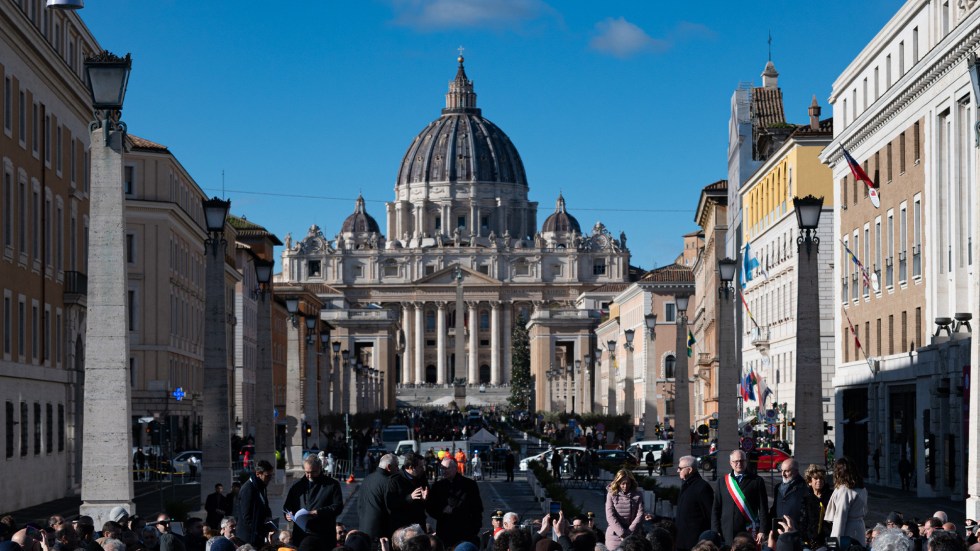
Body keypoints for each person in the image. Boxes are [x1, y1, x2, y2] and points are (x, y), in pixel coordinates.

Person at [284, 455, 345, 548]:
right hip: (301, 535)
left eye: (313, 472)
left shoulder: (332, 485)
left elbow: (338, 507)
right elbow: (287, 506)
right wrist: (287, 515)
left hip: (323, 535)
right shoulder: (297, 486)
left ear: (320, 468)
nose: (309, 476)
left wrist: (319, 512)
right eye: (307, 472)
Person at [711, 449, 768, 547]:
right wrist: (715, 531)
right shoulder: (722, 482)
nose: (739, 463)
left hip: (747, 530)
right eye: (736, 461)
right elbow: (716, 508)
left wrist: (762, 530)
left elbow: (763, 508)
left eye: (742, 461)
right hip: (726, 532)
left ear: (746, 462)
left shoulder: (757, 481)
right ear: (731, 463)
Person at [426, 456, 484, 547]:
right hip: (445, 531)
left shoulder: (469, 485)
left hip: (465, 530)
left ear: (455, 468)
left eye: (447, 468)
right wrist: (442, 510)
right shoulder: (437, 486)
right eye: (442, 468)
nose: (444, 471)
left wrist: (475, 529)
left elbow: (477, 508)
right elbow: (430, 507)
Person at [825, 456, 868, 550]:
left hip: (847, 531)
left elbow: (840, 518)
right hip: (859, 528)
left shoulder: (844, 491)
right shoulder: (862, 488)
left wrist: (833, 545)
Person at [675, 456, 714, 551]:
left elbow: (710, 515)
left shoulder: (702, 487)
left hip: (695, 543)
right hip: (681, 541)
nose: (677, 470)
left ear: (689, 470)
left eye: (680, 468)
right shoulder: (686, 485)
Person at [358, 453, 400, 540]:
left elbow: (360, 504)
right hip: (381, 534)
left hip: (363, 529)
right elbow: (392, 507)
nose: (398, 469)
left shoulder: (367, 479)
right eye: (396, 466)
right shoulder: (389, 482)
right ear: (389, 467)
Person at [236, 459, 274, 547]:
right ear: (258, 474)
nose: (269, 479)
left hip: (258, 535)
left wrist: (269, 519)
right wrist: (261, 529)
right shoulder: (248, 489)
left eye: (271, 476)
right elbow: (247, 517)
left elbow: (265, 506)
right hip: (248, 538)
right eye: (267, 476)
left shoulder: (262, 486)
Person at [604, 469, 645, 550]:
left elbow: (640, 514)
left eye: (628, 483)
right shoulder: (611, 494)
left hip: (633, 535)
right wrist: (622, 533)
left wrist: (629, 532)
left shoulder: (638, 495)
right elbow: (610, 515)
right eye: (623, 483)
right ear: (618, 482)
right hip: (614, 536)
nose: (625, 486)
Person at [390, 452, 429, 531]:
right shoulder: (395, 480)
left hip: (420, 523)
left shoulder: (421, 476)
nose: (423, 469)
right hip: (404, 526)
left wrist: (425, 499)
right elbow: (392, 504)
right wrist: (410, 497)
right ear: (411, 467)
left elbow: (428, 501)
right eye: (420, 466)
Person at [768, 458, 806, 536]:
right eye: (782, 470)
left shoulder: (804, 487)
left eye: (787, 471)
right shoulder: (778, 487)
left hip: (795, 532)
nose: (783, 474)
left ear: (796, 471)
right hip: (778, 530)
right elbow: (774, 508)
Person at [800, 463, 832, 550]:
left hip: (828, 540)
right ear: (810, 482)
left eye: (821, 478)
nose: (819, 481)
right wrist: (807, 538)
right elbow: (803, 521)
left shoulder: (831, 496)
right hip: (810, 541)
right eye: (816, 478)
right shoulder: (806, 498)